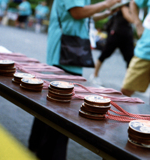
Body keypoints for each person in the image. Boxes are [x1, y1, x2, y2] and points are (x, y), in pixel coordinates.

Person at [28, 0, 120, 160]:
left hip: (64, 56)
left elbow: (83, 14)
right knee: (61, 114)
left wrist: (106, 13)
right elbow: (77, 12)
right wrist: (107, 3)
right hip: (64, 58)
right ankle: (49, 154)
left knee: (49, 106)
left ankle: (35, 146)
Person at [90, 3, 134, 85]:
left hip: (127, 35)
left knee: (130, 60)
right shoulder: (125, 4)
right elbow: (128, 17)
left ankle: (129, 83)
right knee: (104, 54)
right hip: (116, 33)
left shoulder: (132, 4)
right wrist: (138, 21)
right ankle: (94, 75)